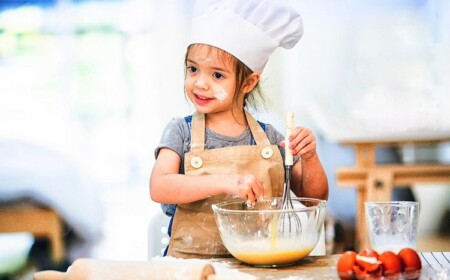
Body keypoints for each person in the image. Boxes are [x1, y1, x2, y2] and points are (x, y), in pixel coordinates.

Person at [149, 0, 328, 259]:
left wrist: (310, 157)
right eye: (193, 69)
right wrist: (227, 183)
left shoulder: (269, 139)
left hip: (257, 266)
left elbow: (315, 197)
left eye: (217, 75)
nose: (200, 83)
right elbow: (160, 186)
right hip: (191, 267)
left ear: (249, 82)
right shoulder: (181, 131)